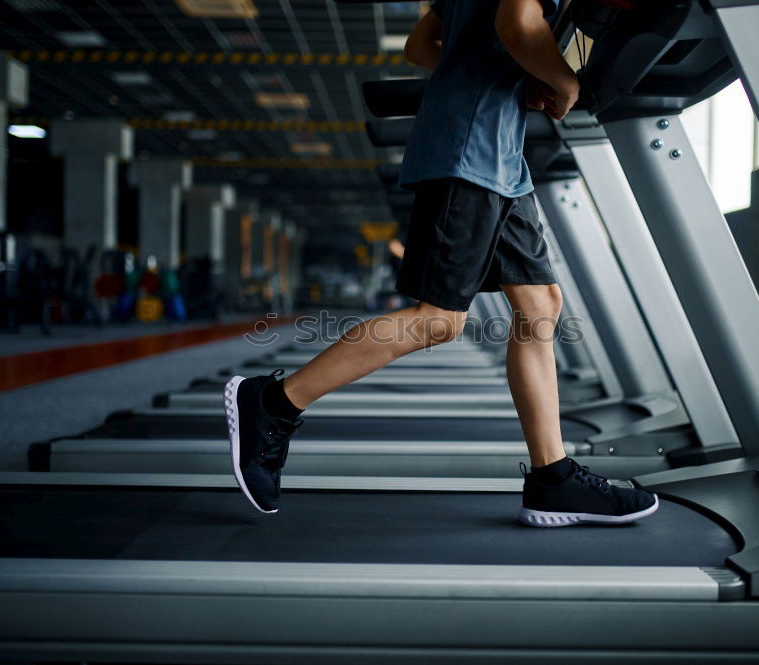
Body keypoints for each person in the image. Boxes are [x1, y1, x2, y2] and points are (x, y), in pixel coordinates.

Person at [224, 0, 659, 527]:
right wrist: (562, 82)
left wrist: (516, 74)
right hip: (470, 147)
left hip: (499, 152)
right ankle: (274, 402)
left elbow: (422, 44)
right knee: (438, 319)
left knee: (540, 302)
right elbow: (518, 24)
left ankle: (553, 478)